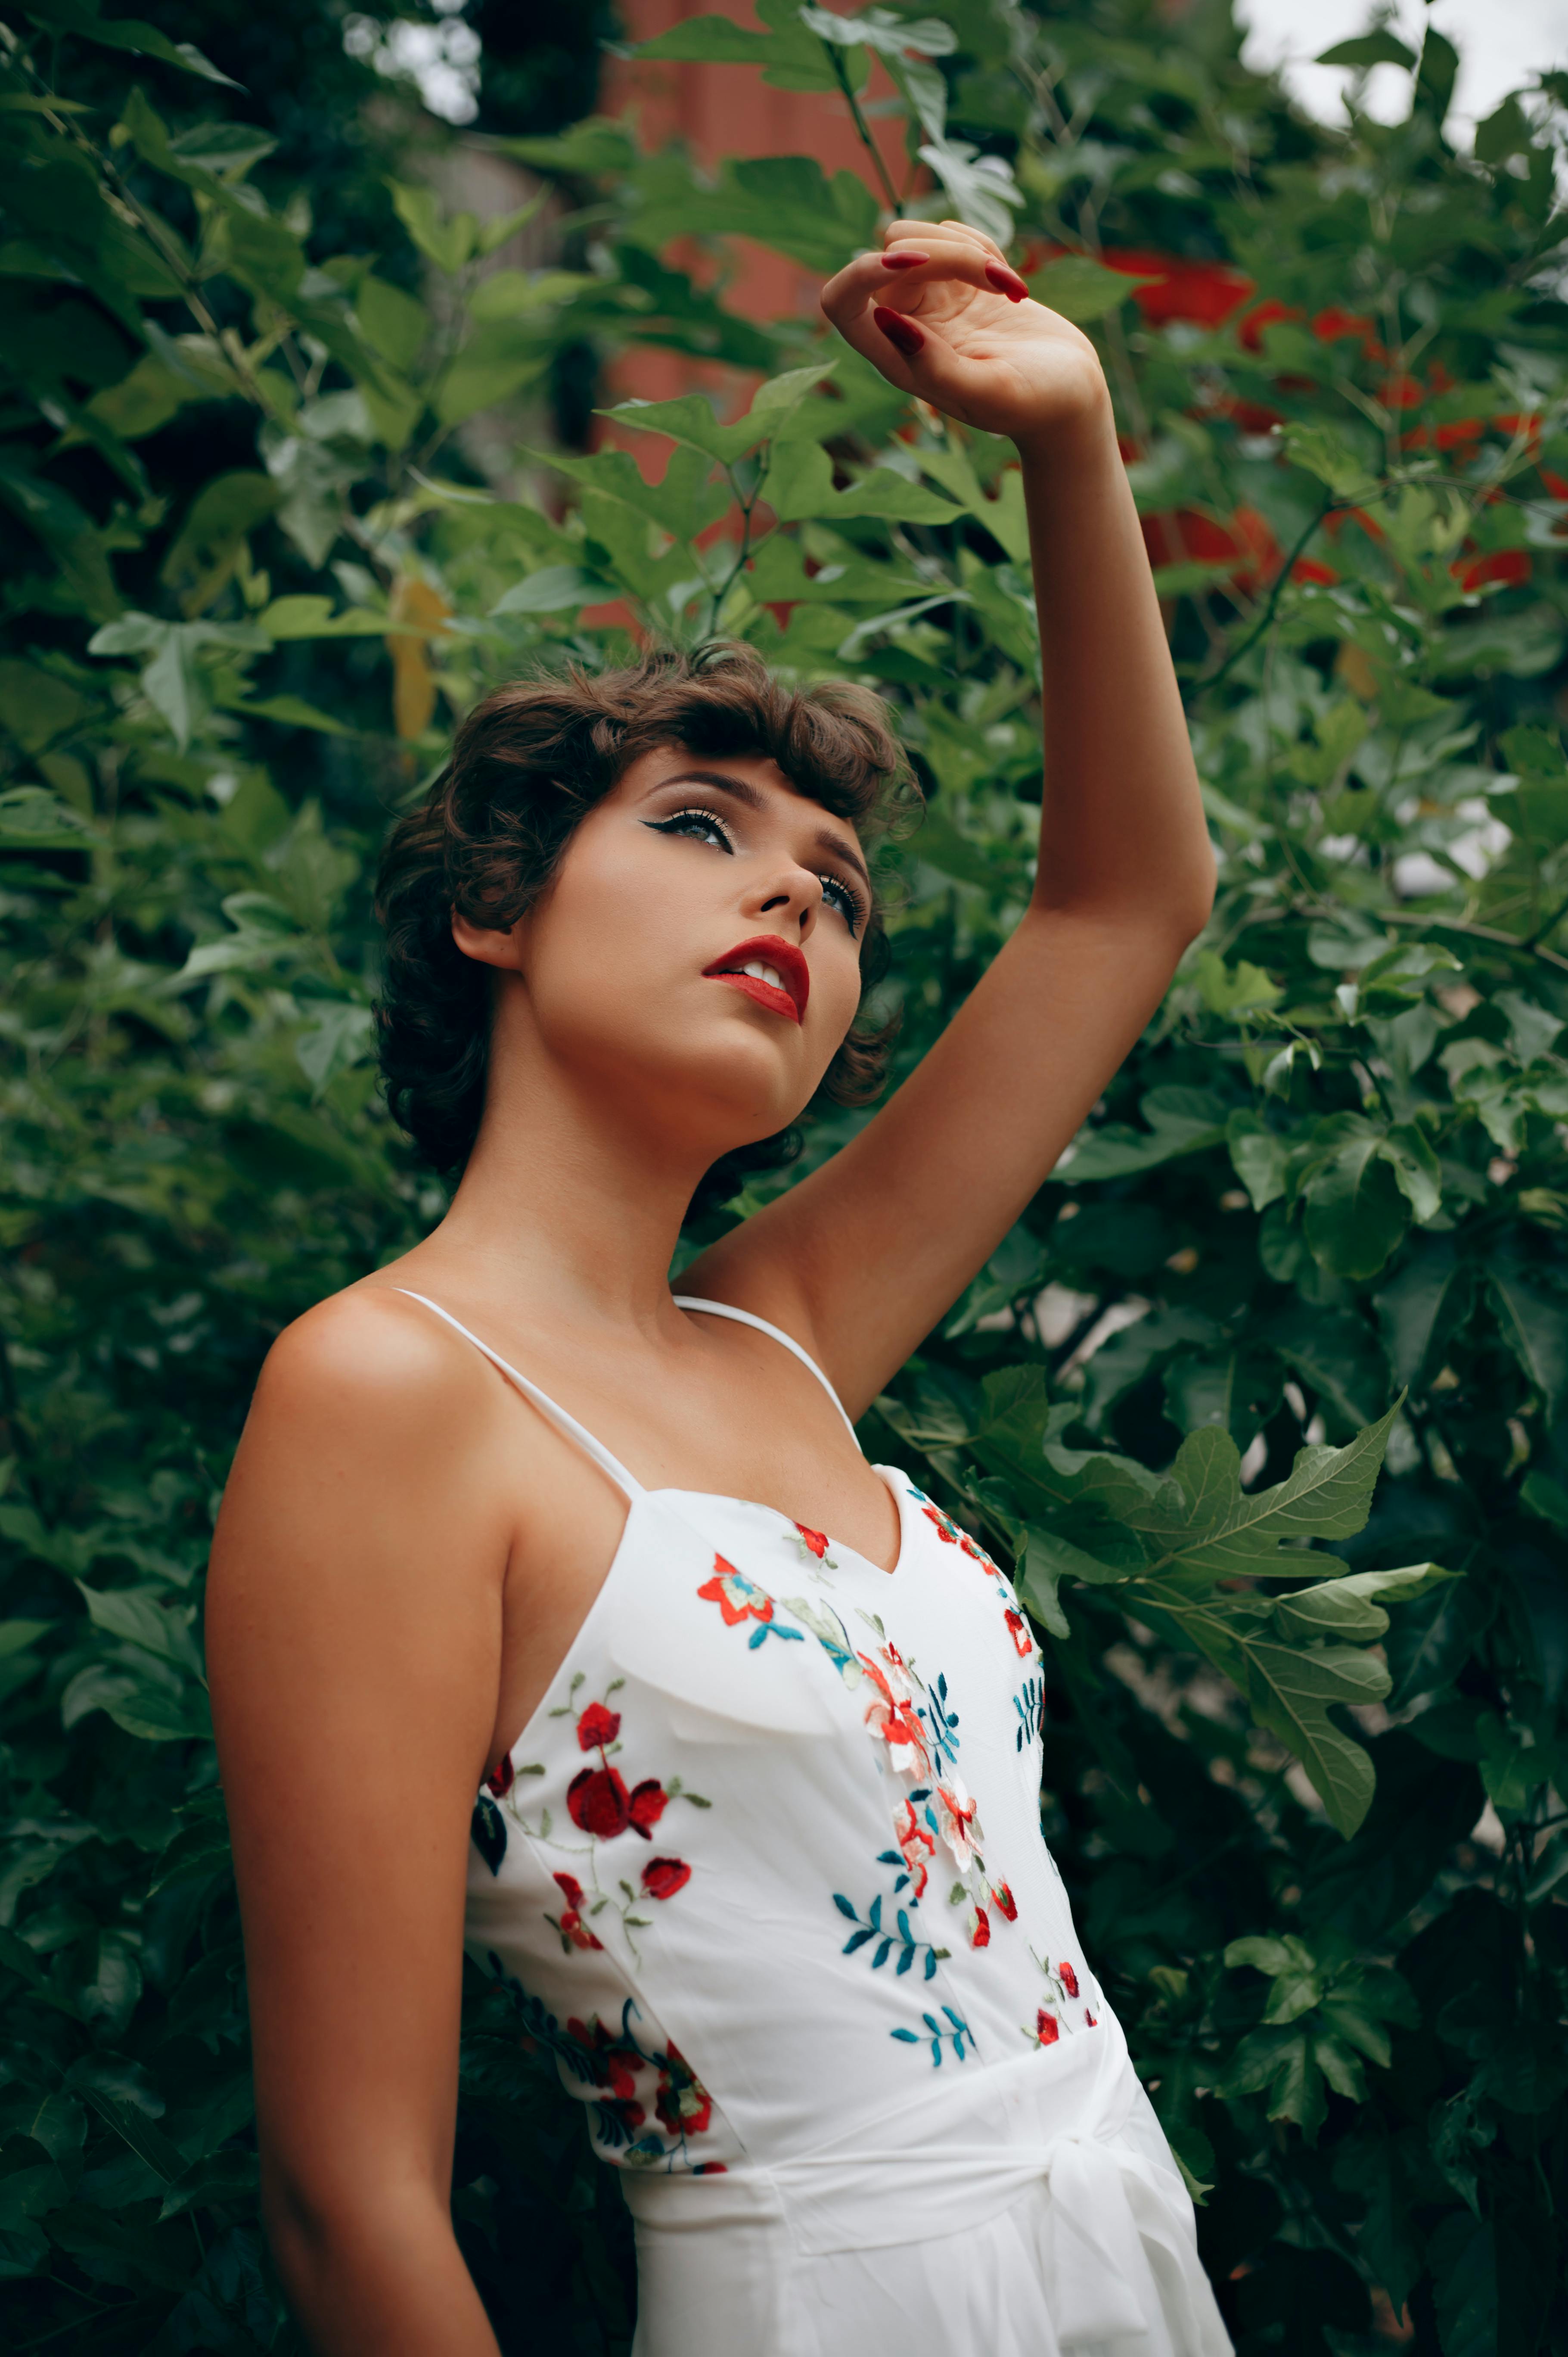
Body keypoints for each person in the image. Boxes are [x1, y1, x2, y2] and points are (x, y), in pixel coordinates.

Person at [207, 216, 1230, 2357]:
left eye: (837, 885)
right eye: (697, 826)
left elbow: (1127, 901)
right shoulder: (384, 1393)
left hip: (1118, 2251)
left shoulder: (783, 1329)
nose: (788, 884)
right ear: (498, 904)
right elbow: (353, 2204)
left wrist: (1071, 433)